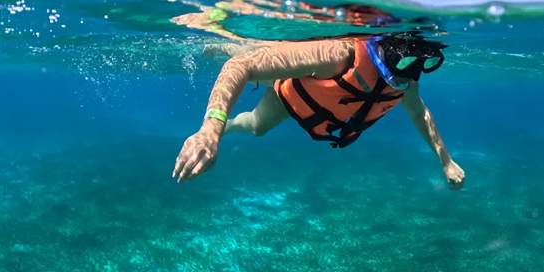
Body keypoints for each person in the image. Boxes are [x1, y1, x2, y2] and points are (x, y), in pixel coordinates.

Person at [172, 32, 465, 188]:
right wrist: (210, 130)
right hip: (291, 80)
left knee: (256, 128)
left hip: (310, 97)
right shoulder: (340, 54)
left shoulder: (405, 79)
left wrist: (446, 161)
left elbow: (419, 113)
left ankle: (229, 126)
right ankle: (227, 46)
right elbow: (239, 68)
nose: (406, 77)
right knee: (250, 74)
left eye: (421, 67)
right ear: (388, 52)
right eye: (402, 67)